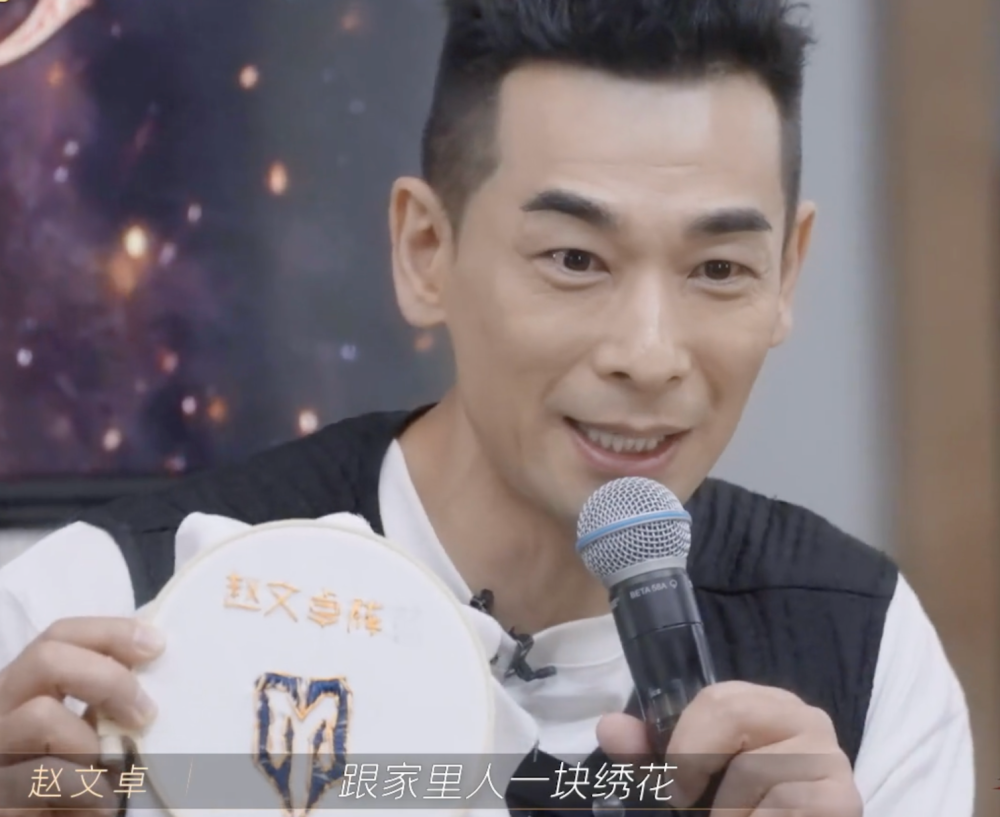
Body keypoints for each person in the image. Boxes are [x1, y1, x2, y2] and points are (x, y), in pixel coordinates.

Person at [0, 1, 973, 815]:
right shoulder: (106, 610)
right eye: (574, 259)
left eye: (718, 269)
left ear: (787, 273)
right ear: (426, 250)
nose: (648, 354)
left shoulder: (862, 648)